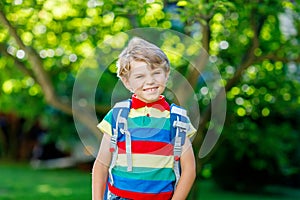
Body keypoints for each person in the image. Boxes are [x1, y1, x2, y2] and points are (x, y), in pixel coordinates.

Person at [92, 37, 196, 200]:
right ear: (127, 82)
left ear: (166, 74)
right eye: (140, 76)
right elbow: (101, 165)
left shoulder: (177, 120)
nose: (150, 81)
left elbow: (189, 169)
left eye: (156, 73)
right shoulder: (118, 115)